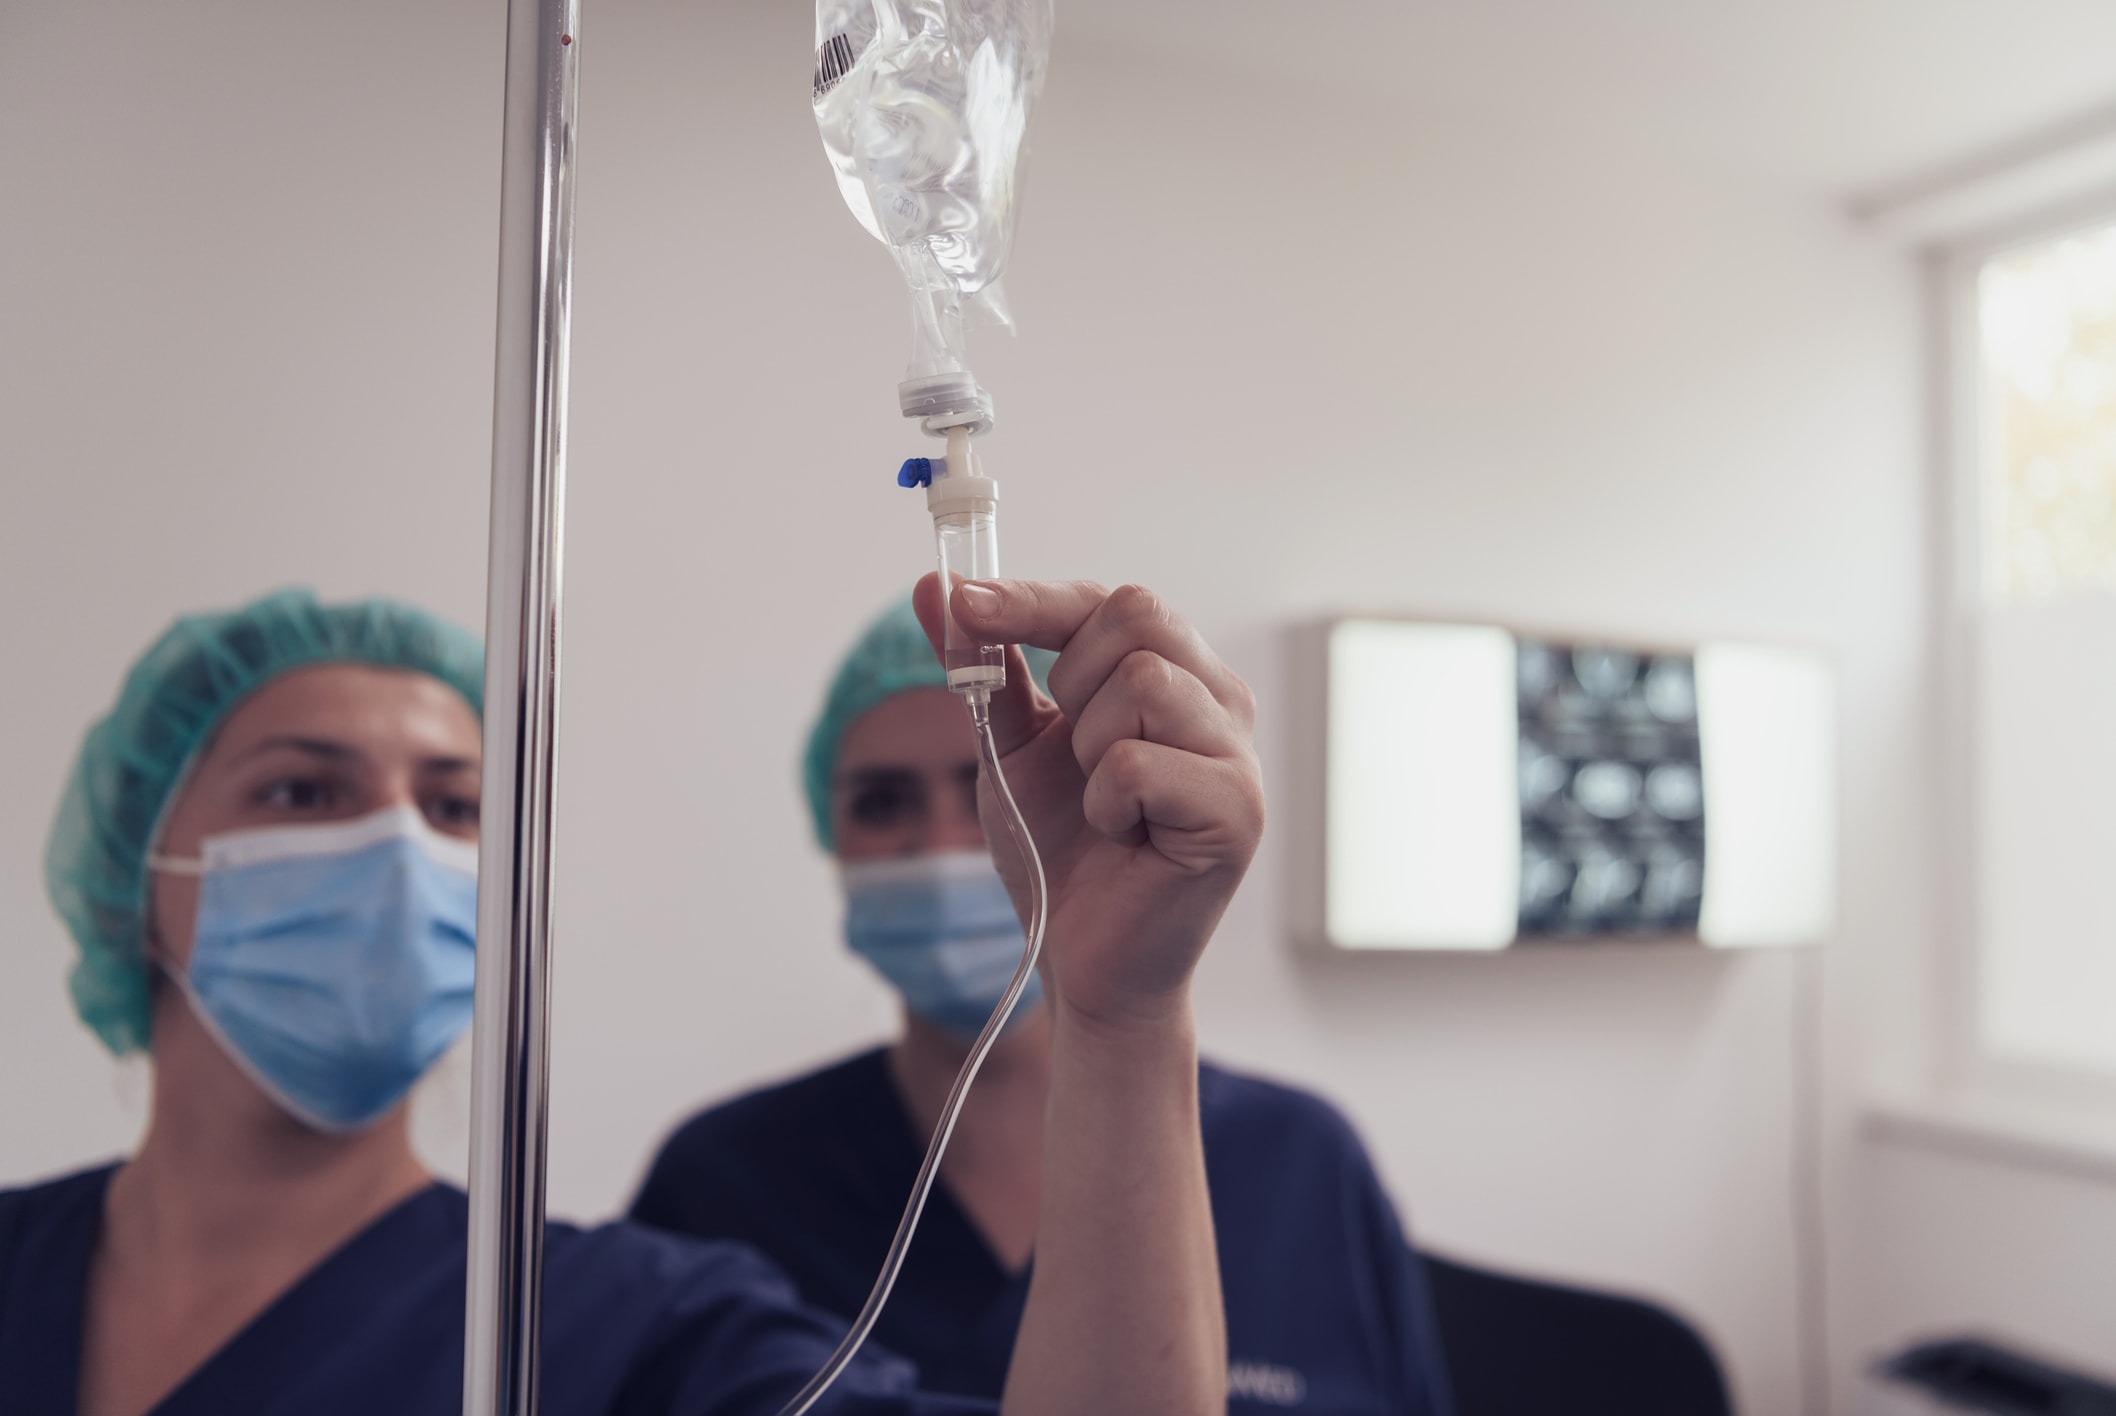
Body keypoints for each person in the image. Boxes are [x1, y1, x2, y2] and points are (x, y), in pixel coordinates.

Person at [0, 575, 1262, 1416]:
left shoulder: (622, 1329)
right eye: (303, 792)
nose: (396, 849)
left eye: (454, 807)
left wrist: (1121, 1020)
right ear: (136, 871)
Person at [629, 597, 1458, 1416]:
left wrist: (1125, 1007)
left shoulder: (1299, 1165)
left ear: (1097, 800)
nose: (944, 845)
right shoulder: (724, 1182)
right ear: (829, 830)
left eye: (988, 787)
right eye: (883, 803)